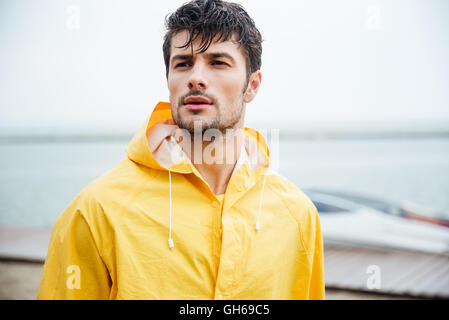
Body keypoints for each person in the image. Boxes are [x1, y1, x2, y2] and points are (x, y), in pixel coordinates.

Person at [37, 0, 325, 300]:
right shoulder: (96, 211)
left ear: (252, 85)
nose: (195, 77)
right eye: (183, 63)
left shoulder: (298, 215)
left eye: (218, 62)